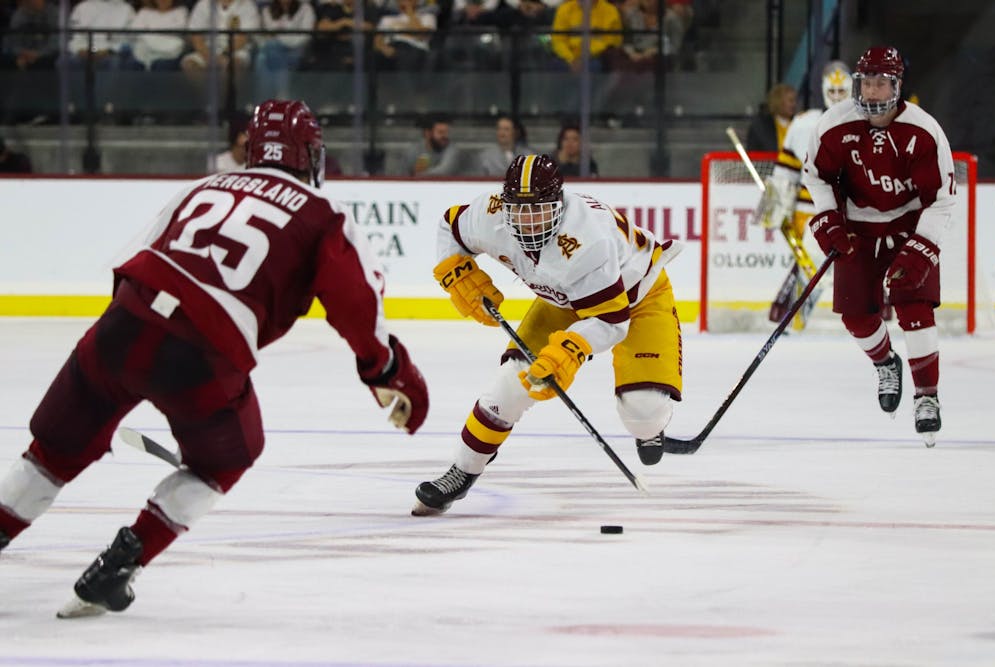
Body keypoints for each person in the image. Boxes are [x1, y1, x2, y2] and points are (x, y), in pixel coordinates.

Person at [0, 99, 429, 617]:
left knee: (52, 453)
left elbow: (133, 259)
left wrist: (125, 349)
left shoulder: (203, 187)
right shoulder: (323, 214)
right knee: (226, 458)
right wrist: (388, 371)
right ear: (310, 154)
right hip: (202, 354)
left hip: (123, 323)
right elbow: (356, 304)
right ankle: (122, 563)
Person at [412, 154, 683, 516]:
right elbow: (450, 227)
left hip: (637, 299)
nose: (525, 222)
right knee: (510, 385)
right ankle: (462, 471)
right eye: (517, 210)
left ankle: (651, 425)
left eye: (537, 210)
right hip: (562, 298)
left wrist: (570, 351)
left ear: (559, 204)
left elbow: (611, 320)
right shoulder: (489, 215)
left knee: (643, 412)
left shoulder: (589, 241)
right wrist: (457, 270)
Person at [801, 46, 955, 445]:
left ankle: (927, 396)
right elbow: (817, 177)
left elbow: (941, 198)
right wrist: (828, 220)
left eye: (880, 83)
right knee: (856, 317)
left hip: (909, 226)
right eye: (866, 83)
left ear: (896, 85)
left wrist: (921, 248)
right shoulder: (834, 125)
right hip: (859, 230)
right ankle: (886, 362)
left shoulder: (924, 131)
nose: (871, 92)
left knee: (915, 308)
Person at [754, 60, 851, 327]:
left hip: (856, 213)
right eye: (832, 92)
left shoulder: (868, 123)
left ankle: (879, 318)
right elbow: (786, 173)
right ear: (822, 90)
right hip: (814, 213)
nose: (836, 98)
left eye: (842, 92)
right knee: (812, 266)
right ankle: (792, 318)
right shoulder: (804, 125)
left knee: (866, 268)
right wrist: (775, 209)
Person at [745, 82, 797, 152]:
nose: (794, 104)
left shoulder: (799, 123)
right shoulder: (760, 126)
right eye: (791, 101)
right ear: (778, 102)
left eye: (795, 100)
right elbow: (753, 153)